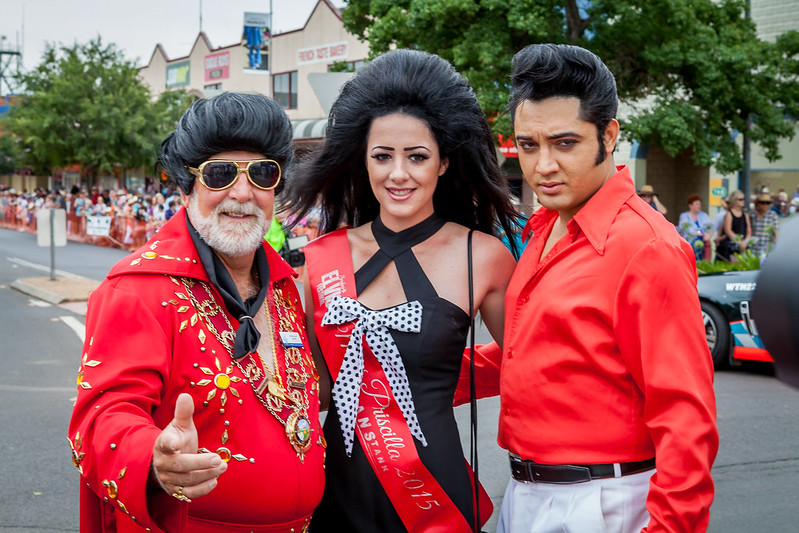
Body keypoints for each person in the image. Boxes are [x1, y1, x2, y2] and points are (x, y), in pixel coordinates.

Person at [462, 44, 718, 533]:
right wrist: (412, 367)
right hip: (524, 494)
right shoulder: (543, 227)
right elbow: (534, 351)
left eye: (565, 143)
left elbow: (686, 417)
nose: (543, 166)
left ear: (609, 135)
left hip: (602, 504)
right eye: (528, 145)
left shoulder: (648, 248)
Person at [67, 92, 325, 533]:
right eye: (220, 173)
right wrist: (152, 456)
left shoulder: (286, 288)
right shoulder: (136, 289)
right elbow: (103, 416)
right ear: (187, 184)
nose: (242, 193)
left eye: (263, 173)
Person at [286, 49, 518, 532]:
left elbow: (531, 365)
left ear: (444, 163)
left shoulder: (485, 256)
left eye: (417, 157)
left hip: (434, 499)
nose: (398, 174)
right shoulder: (319, 261)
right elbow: (308, 392)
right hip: (334, 495)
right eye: (382, 156)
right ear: (362, 160)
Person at [717, 189, 752, 261]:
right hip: (730, 246)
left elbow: (749, 231)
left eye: (743, 199)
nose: (743, 201)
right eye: (740, 199)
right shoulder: (729, 214)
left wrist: (745, 242)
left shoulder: (745, 215)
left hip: (743, 246)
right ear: (734, 201)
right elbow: (728, 231)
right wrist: (738, 242)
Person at [677, 194, 713, 261]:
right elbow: (684, 229)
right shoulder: (684, 216)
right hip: (690, 242)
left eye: (699, 204)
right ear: (690, 205)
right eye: (696, 204)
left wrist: (708, 236)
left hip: (703, 242)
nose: (699, 206)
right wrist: (698, 233)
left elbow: (710, 228)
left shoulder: (704, 215)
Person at [750, 192, 780, 259]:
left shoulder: (772, 215)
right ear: (758, 204)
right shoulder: (752, 215)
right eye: (762, 203)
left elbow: (776, 232)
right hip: (752, 249)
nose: (765, 205)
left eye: (767, 203)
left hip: (766, 250)